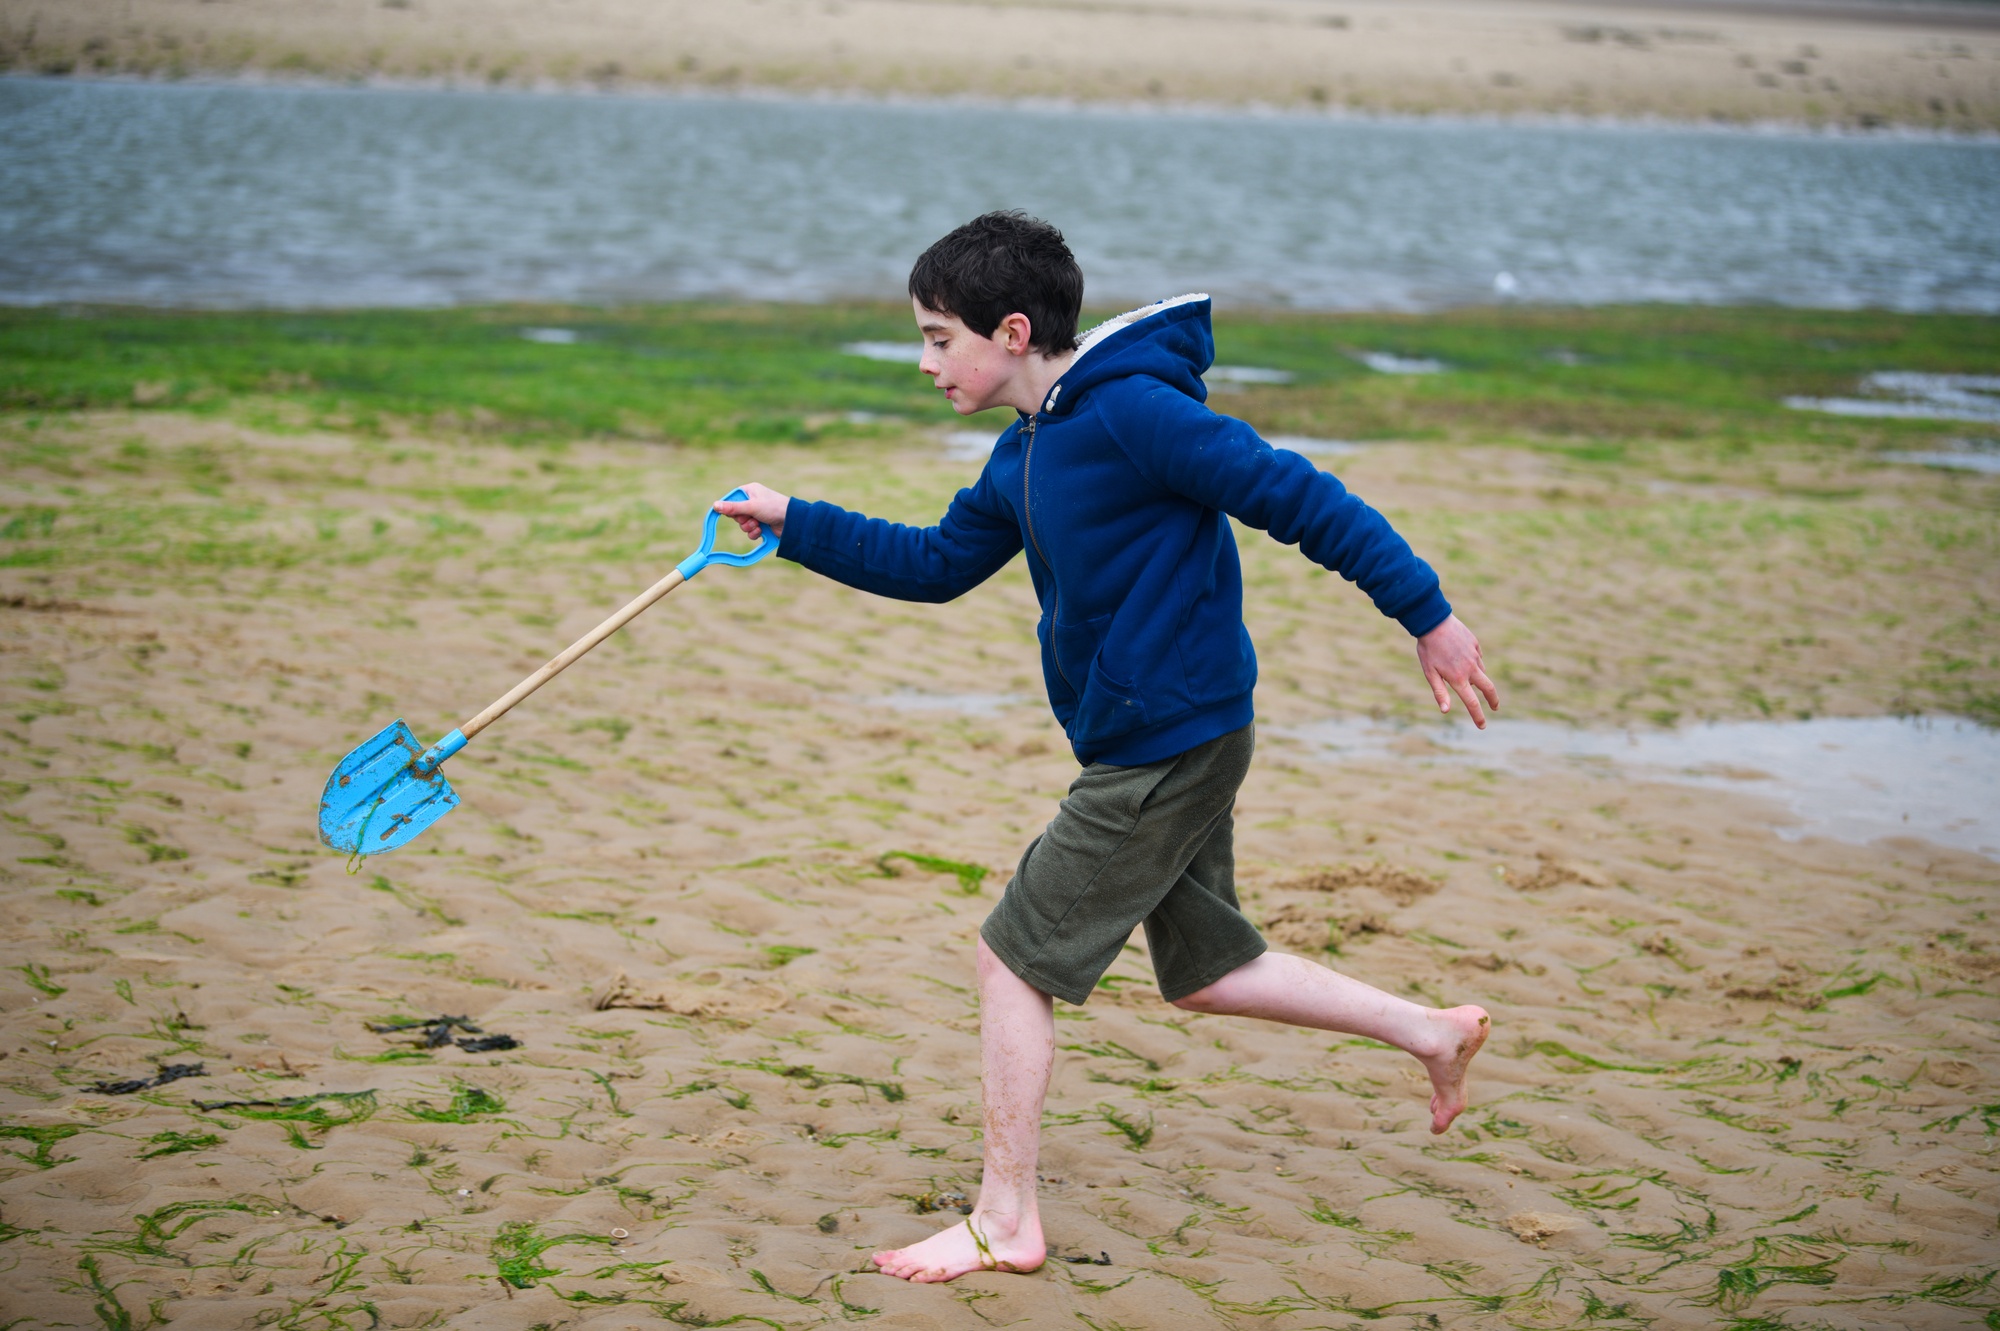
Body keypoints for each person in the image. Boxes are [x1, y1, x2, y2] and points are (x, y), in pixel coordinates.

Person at [715, 211, 1498, 1285]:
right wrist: (794, 521)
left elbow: (1300, 497)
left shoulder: (1136, 413)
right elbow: (933, 564)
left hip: (1166, 738)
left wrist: (1426, 612)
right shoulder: (1022, 453)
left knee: (1011, 956)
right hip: (1161, 731)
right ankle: (1429, 1031)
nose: (925, 361)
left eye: (940, 338)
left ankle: (1004, 1217)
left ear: (1012, 330)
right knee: (1210, 971)